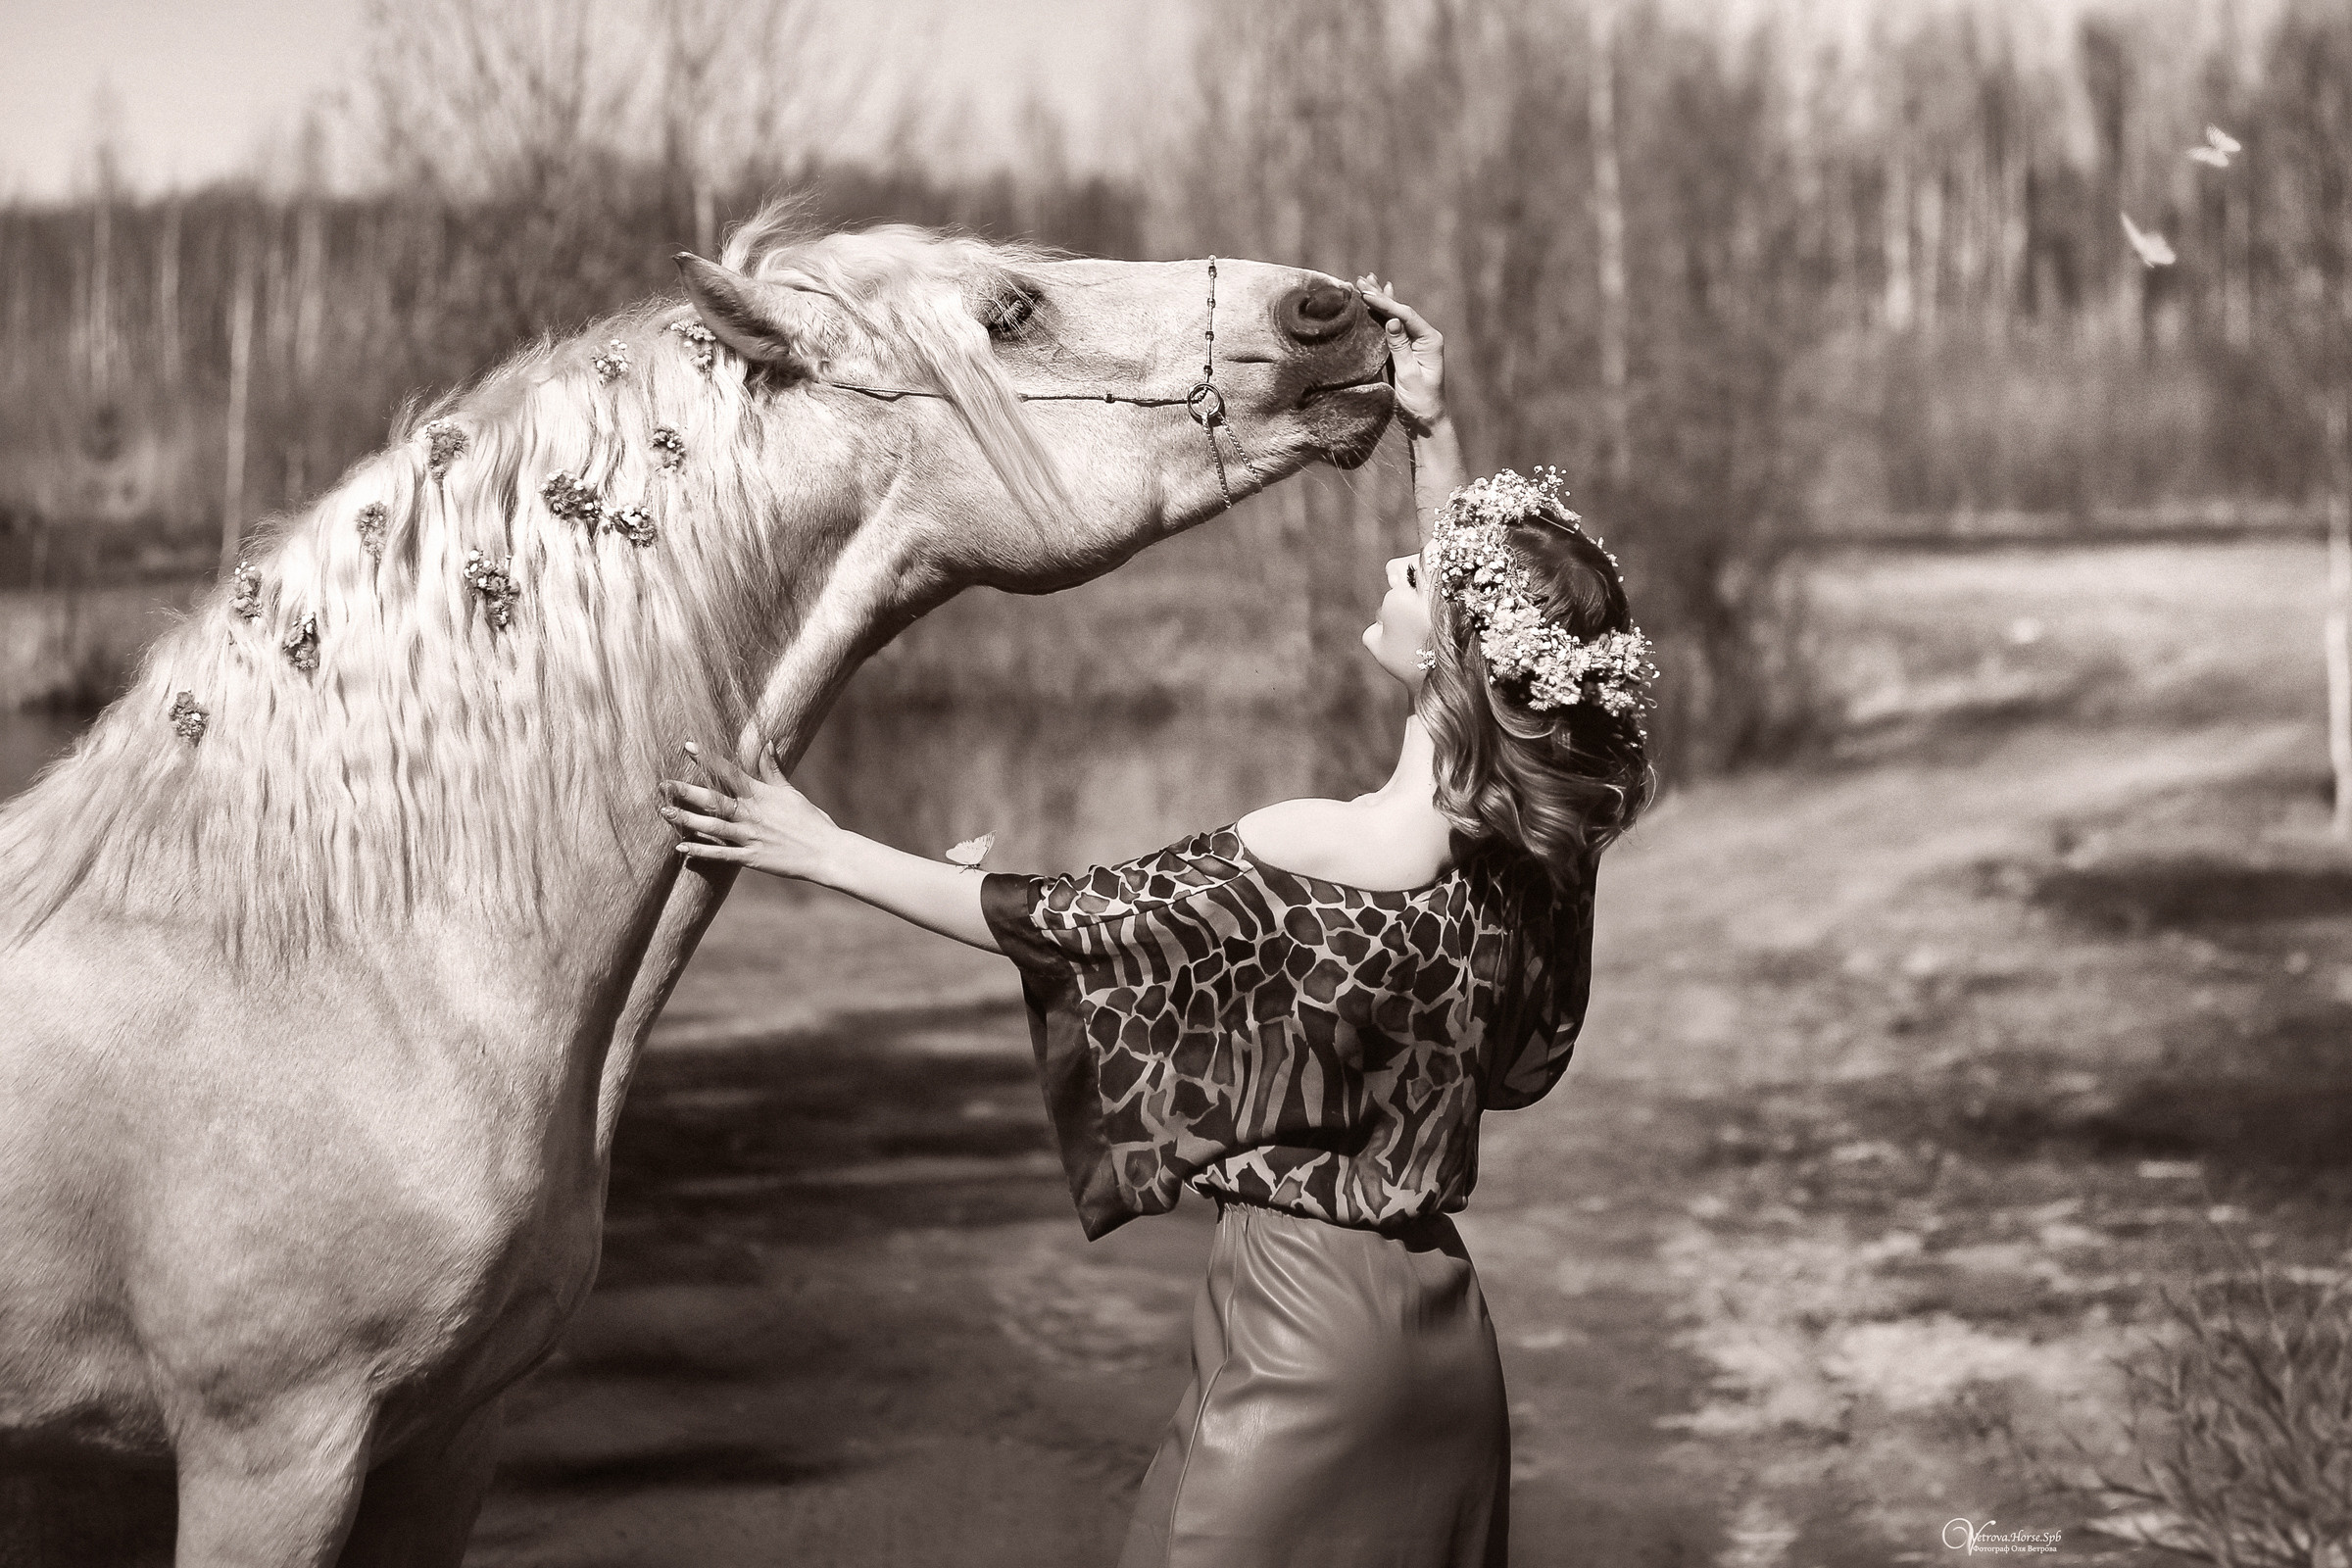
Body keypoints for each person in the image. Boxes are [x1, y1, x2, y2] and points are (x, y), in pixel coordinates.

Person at [658, 279, 1656, 1568]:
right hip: (1444, 1345)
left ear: (1453, 662)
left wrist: (818, 845)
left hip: (1304, 1334)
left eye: (1427, 576)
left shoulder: (1316, 845)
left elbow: (1059, 923)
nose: (1405, 561)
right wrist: (1431, 430)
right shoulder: (1531, 863)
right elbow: (1482, 634)